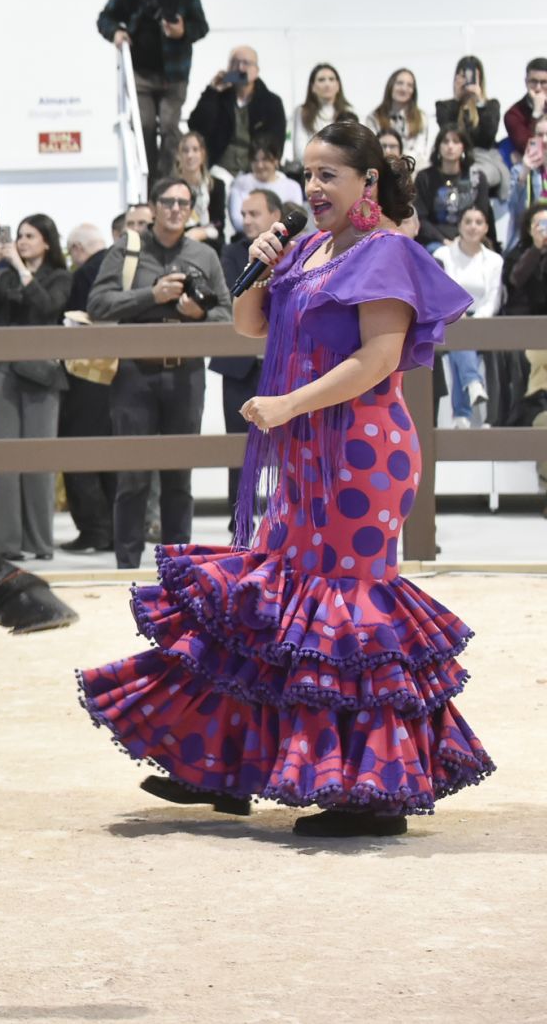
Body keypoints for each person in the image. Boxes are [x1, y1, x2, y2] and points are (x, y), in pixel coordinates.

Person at [78, 119, 491, 836]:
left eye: (330, 174)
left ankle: (370, 791)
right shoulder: (307, 248)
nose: (314, 188)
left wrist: (287, 404)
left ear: (368, 180)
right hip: (305, 451)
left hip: (362, 453)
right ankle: (231, 768)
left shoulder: (387, 252)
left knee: (340, 613)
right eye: (308, 174)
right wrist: (260, 265)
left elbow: (377, 360)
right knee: (277, 605)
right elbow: (250, 325)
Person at [87, 177, 231, 570]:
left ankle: (178, 567)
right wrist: (152, 295)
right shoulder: (127, 250)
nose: (175, 209)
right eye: (167, 201)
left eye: (183, 203)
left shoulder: (204, 255)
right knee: (132, 476)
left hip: (186, 373)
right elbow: (98, 304)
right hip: (134, 374)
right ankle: (127, 566)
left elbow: (227, 314)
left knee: (179, 477)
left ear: (191, 209)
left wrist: (199, 314)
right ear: (153, 207)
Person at [0, 214, 69, 561]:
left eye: (30, 236)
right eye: (20, 236)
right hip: (5, 372)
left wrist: (20, 268)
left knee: (39, 461)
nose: (22, 242)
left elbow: (48, 306)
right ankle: (5, 542)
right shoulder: (4, 275)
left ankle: (40, 543)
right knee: (4, 459)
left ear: (46, 241)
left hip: (42, 375)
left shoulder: (59, 275)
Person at [97, 0, 209, 176]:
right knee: (143, 126)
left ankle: (166, 180)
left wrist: (183, 31)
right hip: (139, 72)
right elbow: (105, 18)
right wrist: (116, 32)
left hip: (174, 73)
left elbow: (201, 26)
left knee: (170, 126)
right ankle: (147, 183)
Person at [59, 214, 134, 554]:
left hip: (87, 374)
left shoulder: (85, 273)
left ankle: (93, 530)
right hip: (123, 373)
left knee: (79, 451)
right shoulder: (125, 266)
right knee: (112, 452)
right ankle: (116, 530)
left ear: (76, 249)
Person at [212, 188, 281, 507]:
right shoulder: (232, 251)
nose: (246, 221)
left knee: (286, 445)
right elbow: (231, 293)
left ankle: (283, 515)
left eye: (254, 214)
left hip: (280, 361)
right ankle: (237, 518)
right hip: (239, 364)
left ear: (275, 216)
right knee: (238, 446)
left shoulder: (299, 250)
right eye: (243, 215)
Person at [436, 204, 503, 428]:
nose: (472, 227)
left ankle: (462, 413)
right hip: (450, 317)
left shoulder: (495, 260)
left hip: (481, 319)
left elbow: (492, 299)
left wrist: (474, 322)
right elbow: (441, 293)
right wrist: (458, 314)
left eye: (478, 222)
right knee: (458, 333)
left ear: (486, 228)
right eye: (468, 221)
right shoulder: (442, 255)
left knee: (463, 339)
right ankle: (473, 383)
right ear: (459, 226)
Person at [187, 45, 285, 179]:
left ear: (256, 70)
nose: (240, 68)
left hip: (255, 170)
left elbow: (276, 142)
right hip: (219, 170)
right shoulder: (217, 97)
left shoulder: (271, 102)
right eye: (234, 63)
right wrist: (212, 92)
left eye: (246, 63)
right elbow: (196, 127)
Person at [413, 127, 498, 251]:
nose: (450, 146)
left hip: (470, 237)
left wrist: (464, 241)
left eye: (455, 141)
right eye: (446, 142)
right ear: (438, 146)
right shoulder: (425, 177)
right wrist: (443, 240)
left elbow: (482, 215)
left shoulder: (477, 178)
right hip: (435, 240)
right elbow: (421, 218)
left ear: (463, 147)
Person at [225, 139, 304, 237]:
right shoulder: (240, 183)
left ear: (276, 160)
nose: (260, 165)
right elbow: (237, 221)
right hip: (246, 239)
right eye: (255, 160)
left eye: (265, 160)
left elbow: (296, 218)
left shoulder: (292, 186)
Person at [286, 62, 357, 168]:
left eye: (331, 79)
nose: (327, 84)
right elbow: (300, 151)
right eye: (321, 80)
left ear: (338, 85)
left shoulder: (349, 111)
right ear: (312, 87)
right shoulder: (301, 112)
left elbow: (355, 147)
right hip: (312, 168)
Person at [169, 131, 229, 252]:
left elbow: (218, 224)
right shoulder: (171, 187)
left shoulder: (216, 186)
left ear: (202, 154)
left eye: (195, 150)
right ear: (179, 156)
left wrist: (200, 233)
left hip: (210, 242)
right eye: (185, 151)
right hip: (178, 241)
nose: (190, 155)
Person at [365, 67, 434, 170]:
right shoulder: (374, 117)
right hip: (383, 170)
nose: (404, 88)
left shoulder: (421, 118)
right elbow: (372, 150)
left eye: (409, 85)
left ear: (413, 91)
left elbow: (422, 152)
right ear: (391, 86)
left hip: (413, 170)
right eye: (399, 83)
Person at [433, 55, 501, 152]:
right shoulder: (444, 107)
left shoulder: (491, 105)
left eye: (472, 76)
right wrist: (457, 100)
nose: (468, 80)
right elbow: (448, 133)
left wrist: (479, 102)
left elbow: (488, 138)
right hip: (455, 156)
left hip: (483, 157)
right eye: (464, 76)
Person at [501, 57, 547, 154]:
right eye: (533, 82)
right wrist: (536, 113)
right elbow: (527, 148)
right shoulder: (513, 114)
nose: (538, 88)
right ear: (526, 82)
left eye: (544, 82)